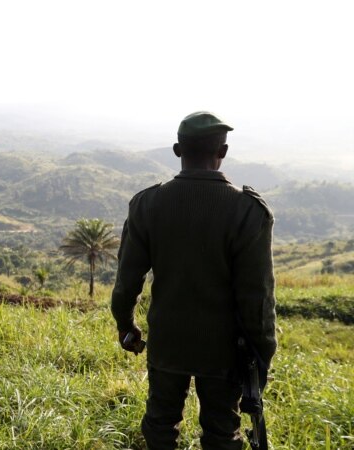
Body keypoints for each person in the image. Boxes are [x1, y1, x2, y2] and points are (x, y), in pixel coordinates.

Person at [111, 112, 277, 449]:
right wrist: (262, 356)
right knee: (221, 432)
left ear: (176, 149)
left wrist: (125, 324)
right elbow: (256, 299)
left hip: (167, 341)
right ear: (223, 152)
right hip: (224, 348)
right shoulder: (247, 211)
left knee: (160, 424)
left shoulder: (147, 204)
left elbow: (127, 280)